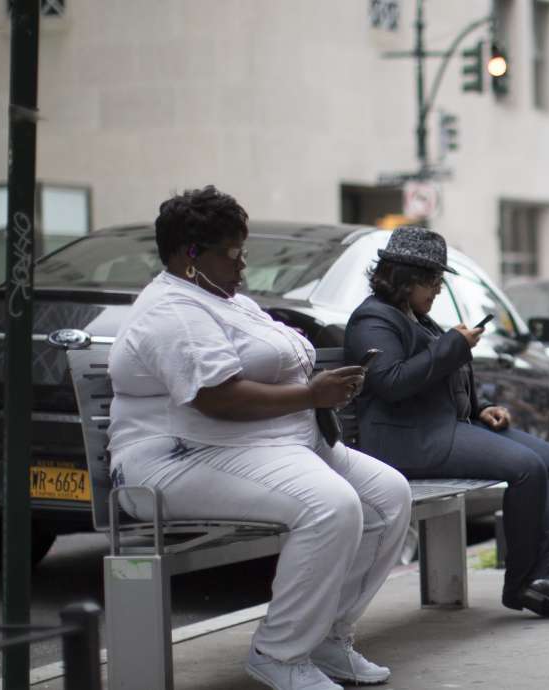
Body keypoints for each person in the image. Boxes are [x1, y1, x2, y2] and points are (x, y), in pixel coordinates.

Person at [107, 186, 411, 690]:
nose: (242, 263)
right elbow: (218, 399)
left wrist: (321, 390)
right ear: (190, 255)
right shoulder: (173, 311)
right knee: (331, 505)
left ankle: (328, 637)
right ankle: (279, 652)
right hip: (177, 457)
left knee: (388, 496)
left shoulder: (226, 300)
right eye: (232, 252)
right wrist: (311, 397)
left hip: (260, 442)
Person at [343, 226, 549, 619]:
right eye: (432, 281)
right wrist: (453, 345)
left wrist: (482, 406)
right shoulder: (373, 319)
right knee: (527, 469)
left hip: (442, 428)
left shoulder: (413, 315)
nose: (437, 290)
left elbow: (440, 380)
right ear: (405, 278)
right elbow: (391, 383)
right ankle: (523, 584)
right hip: (408, 441)